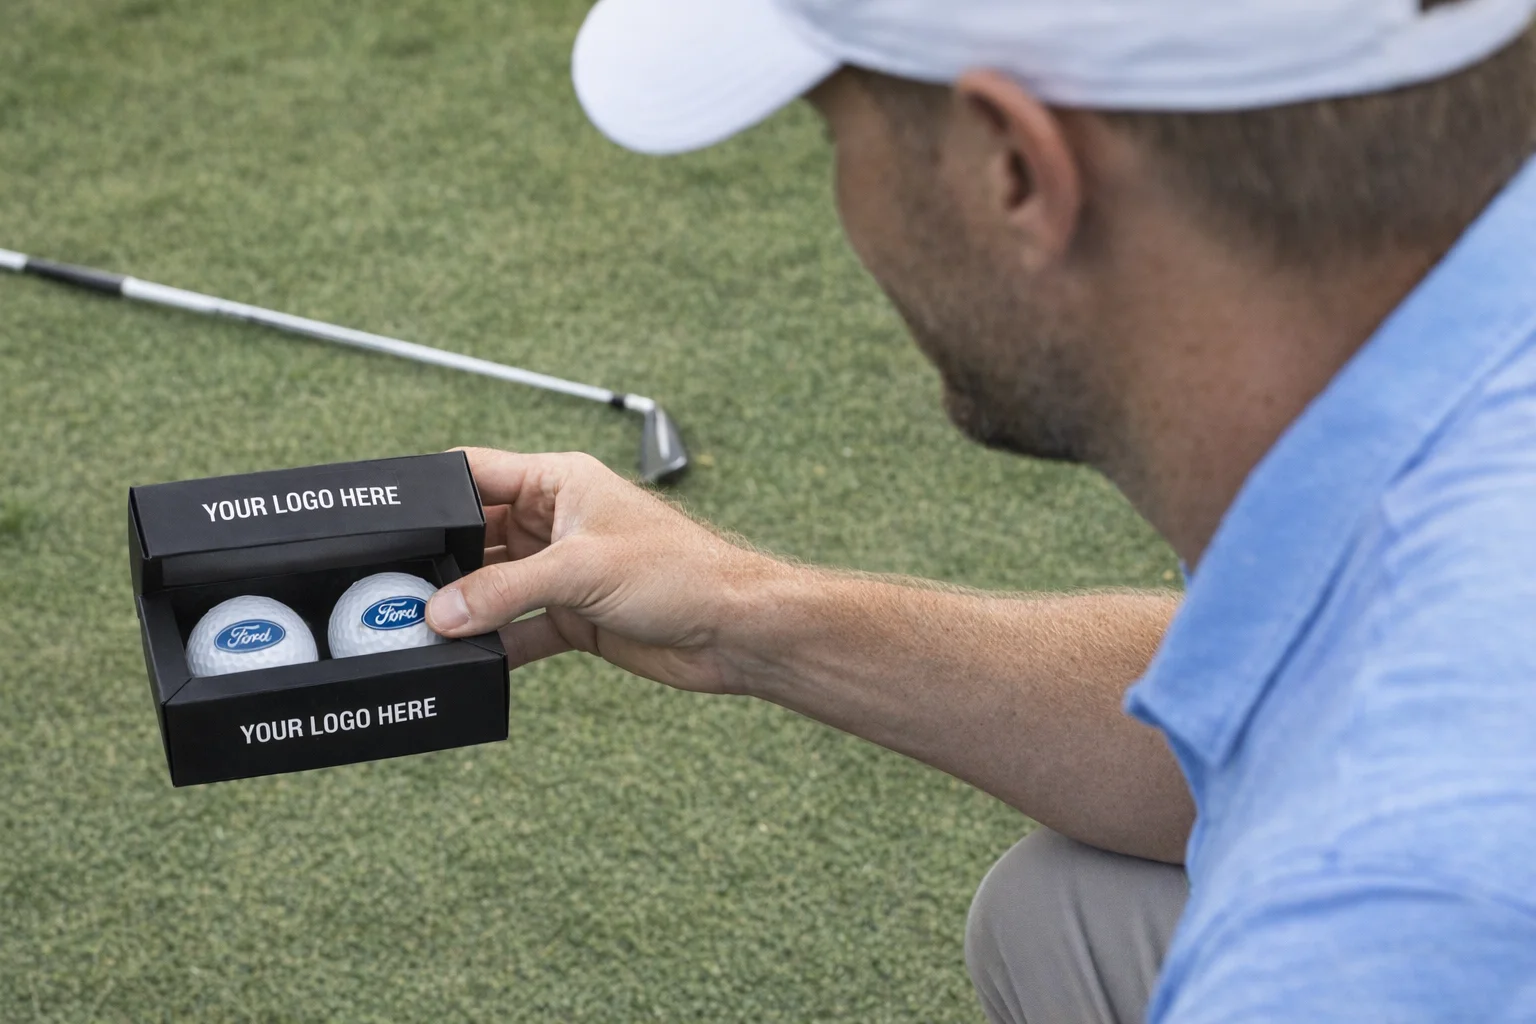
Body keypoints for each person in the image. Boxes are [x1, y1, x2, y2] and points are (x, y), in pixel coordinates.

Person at [425, 0, 1536, 1019]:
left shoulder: (1380, 911)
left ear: (1015, 170)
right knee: (1061, 914)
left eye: (833, 130)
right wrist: (736, 609)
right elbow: (1280, 704)